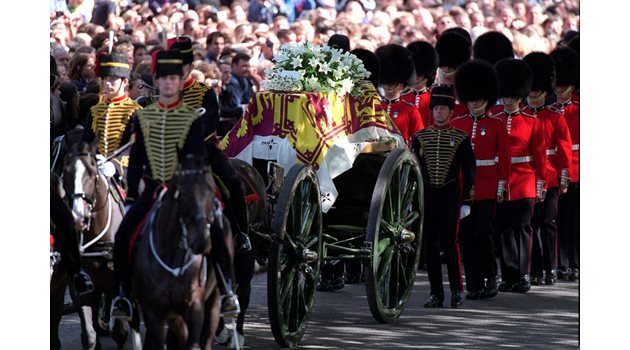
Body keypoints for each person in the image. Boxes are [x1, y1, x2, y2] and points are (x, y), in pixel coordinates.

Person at [110, 48, 209, 320]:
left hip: (185, 191)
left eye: (173, 78)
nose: (167, 83)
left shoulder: (191, 116)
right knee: (121, 238)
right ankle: (123, 296)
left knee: (218, 233)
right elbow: (137, 160)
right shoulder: (143, 117)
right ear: (158, 81)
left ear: (179, 81)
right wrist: (132, 196)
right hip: (153, 190)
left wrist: (181, 184)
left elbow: (195, 160)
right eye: (162, 78)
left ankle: (226, 290)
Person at [411, 85, 475, 308]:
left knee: (450, 242)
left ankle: (457, 290)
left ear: (451, 111)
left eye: (443, 109)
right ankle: (436, 293)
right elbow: (414, 170)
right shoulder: (419, 137)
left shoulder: (461, 138)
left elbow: (468, 172)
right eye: (436, 108)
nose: (439, 112)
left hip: (450, 196)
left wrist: (467, 200)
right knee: (429, 244)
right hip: (428, 197)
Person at [452, 59, 511, 300]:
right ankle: (474, 281)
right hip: (464, 188)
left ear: (487, 99)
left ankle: (490, 277)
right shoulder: (458, 124)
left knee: (483, 233)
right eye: (471, 99)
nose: (474, 103)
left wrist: (501, 186)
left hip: (487, 187)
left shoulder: (496, 125)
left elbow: (504, 159)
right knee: (466, 236)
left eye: (478, 99)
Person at [493, 58, 547, 293]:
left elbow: (540, 156)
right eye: (505, 96)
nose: (507, 101)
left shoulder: (531, 121)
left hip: (524, 180)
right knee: (503, 230)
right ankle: (508, 274)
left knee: (522, 228)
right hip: (500, 181)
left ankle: (523, 274)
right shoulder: (494, 119)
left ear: (520, 96)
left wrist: (541, 183)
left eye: (511, 97)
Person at [523, 51, 572, 286]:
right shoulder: (521, 116)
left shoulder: (554, 117)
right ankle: (535, 269)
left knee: (548, 223)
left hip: (550, 176)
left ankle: (551, 267)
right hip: (527, 176)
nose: (532, 96)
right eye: (530, 91)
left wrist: (564, 178)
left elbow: (562, 150)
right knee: (530, 224)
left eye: (537, 92)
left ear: (545, 91)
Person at [550, 47, 580, 281]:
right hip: (556, 168)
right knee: (559, 218)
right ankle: (562, 262)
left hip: (579, 168)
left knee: (577, 219)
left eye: (564, 86)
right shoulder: (550, 109)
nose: (559, 91)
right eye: (557, 86)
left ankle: (577, 261)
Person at [374, 44, 424, 143]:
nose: (388, 86)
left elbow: (419, 139)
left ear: (401, 85)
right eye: (386, 82)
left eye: (392, 83)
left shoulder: (410, 110)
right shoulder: (374, 108)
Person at [434, 30, 471, 118]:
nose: (447, 69)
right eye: (444, 65)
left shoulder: (468, 94)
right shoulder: (433, 92)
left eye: (451, 66)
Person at [402, 40, 438, 127]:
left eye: (420, 74)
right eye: (415, 74)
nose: (416, 78)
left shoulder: (436, 98)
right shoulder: (402, 99)